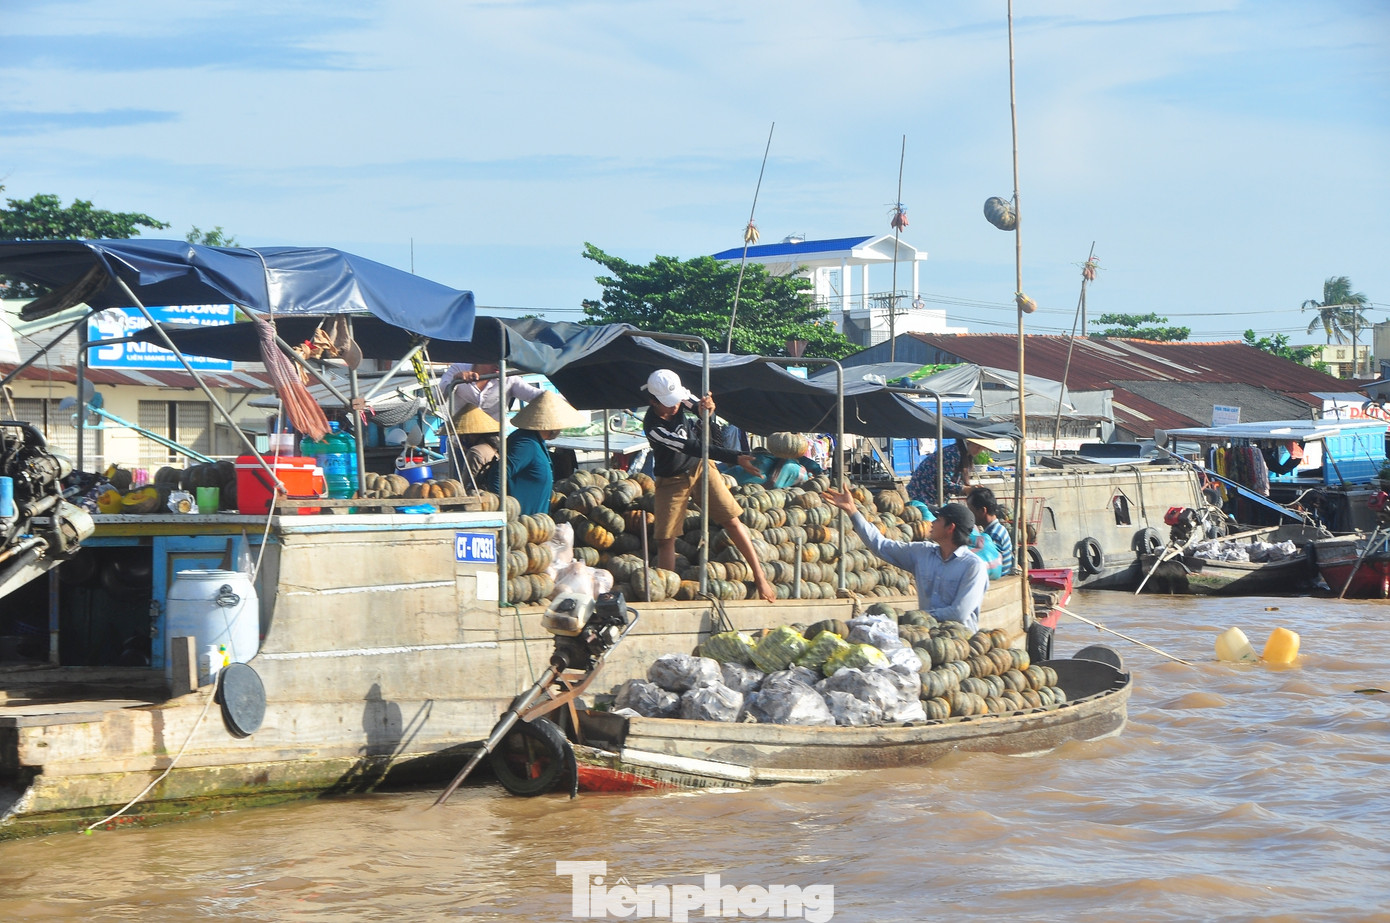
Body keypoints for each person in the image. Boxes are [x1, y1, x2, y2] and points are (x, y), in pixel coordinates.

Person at [641, 369, 776, 604]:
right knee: (666, 539)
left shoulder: (679, 398)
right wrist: (735, 457)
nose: (675, 407)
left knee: (732, 520)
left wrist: (708, 408)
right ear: (653, 401)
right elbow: (692, 446)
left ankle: (760, 576)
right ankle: (667, 595)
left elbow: (700, 408)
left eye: (676, 402)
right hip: (672, 478)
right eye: (668, 404)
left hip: (701, 468)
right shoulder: (654, 428)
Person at [823, 485, 989, 632]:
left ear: (950, 528)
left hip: (961, 645)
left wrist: (917, 616)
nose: (931, 523)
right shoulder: (922, 552)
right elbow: (880, 545)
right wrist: (852, 511)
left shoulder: (973, 567)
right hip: (925, 636)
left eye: (938, 520)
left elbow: (959, 613)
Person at [487, 391, 586, 516]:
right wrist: (504, 512)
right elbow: (498, 475)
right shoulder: (526, 444)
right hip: (521, 523)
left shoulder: (537, 441)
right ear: (552, 426)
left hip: (534, 523)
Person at [441, 362, 546, 477]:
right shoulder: (457, 368)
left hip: (492, 445)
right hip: (460, 444)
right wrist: (455, 382)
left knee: (485, 485)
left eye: (502, 360)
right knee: (456, 485)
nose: (499, 364)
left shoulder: (509, 379)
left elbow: (536, 395)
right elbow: (438, 397)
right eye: (493, 359)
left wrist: (565, 398)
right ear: (481, 357)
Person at [907, 437, 974, 506]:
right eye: (977, 447)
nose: (979, 450)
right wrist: (965, 489)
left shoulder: (965, 456)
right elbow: (943, 482)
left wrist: (968, 488)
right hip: (922, 494)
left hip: (934, 497)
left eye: (981, 448)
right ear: (967, 442)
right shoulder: (952, 454)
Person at [967, 486, 1015, 575]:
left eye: (971, 511)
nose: (969, 515)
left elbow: (990, 562)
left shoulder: (994, 534)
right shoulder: (996, 529)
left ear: (982, 510)